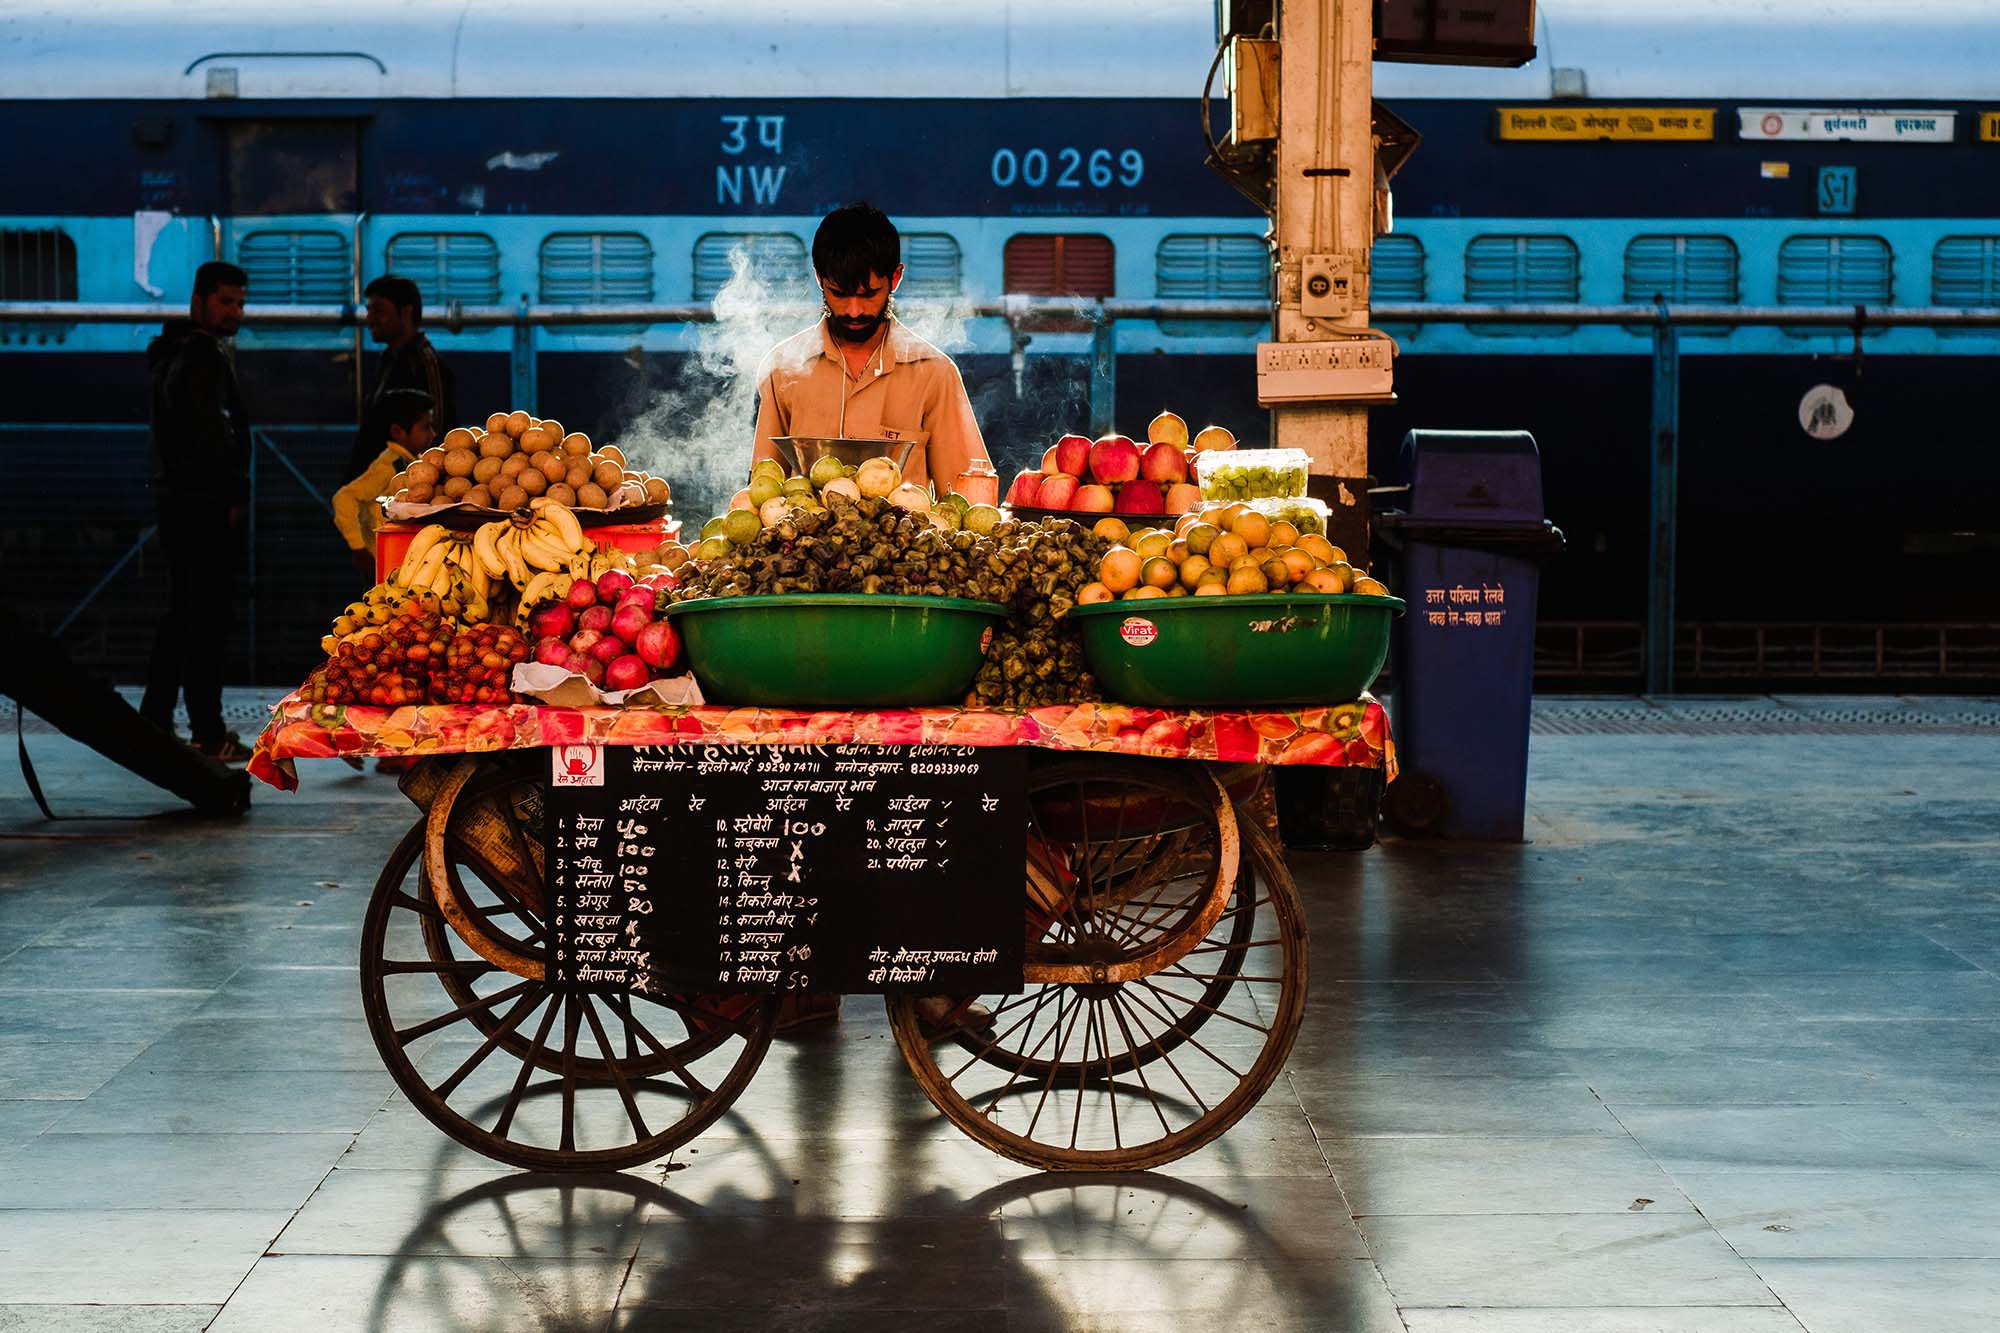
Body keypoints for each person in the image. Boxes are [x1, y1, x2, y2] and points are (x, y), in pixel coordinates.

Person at [752, 202, 991, 491]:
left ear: (895, 278)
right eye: (839, 294)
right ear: (819, 278)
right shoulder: (783, 368)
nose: (853, 310)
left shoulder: (934, 373)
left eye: (869, 294)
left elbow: (967, 497)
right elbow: (762, 492)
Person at [140, 260, 252, 763]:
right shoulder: (201, 359)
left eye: (240, 303)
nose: (235, 312)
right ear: (199, 301)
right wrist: (234, 494)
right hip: (204, 508)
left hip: (179, 504)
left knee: (182, 614)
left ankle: (154, 719)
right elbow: (213, 436)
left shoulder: (173, 354)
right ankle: (207, 730)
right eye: (226, 302)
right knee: (205, 621)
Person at [348, 275, 455, 483]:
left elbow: (437, 435)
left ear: (406, 312)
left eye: (378, 310)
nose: (369, 318)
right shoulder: (389, 359)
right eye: (368, 310)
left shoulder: (426, 363)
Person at [333, 388, 435, 578]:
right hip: (382, 560)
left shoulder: (413, 462)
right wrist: (359, 549)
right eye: (425, 427)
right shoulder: (389, 466)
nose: (433, 434)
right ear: (398, 431)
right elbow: (343, 499)